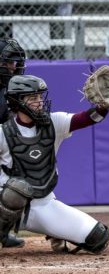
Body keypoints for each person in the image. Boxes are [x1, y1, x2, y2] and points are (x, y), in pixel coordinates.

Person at [0, 72, 109, 253]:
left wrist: (103, 106)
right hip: (5, 205)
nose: (39, 101)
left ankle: (54, 231)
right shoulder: (2, 132)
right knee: (15, 190)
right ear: (17, 101)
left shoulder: (53, 122)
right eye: (33, 98)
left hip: (42, 203)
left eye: (40, 96)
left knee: (98, 238)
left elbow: (86, 118)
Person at [0, 39, 25, 248]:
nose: (13, 67)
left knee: (17, 181)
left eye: (15, 62)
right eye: (8, 62)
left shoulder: (8, 88)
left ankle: (3, 233)